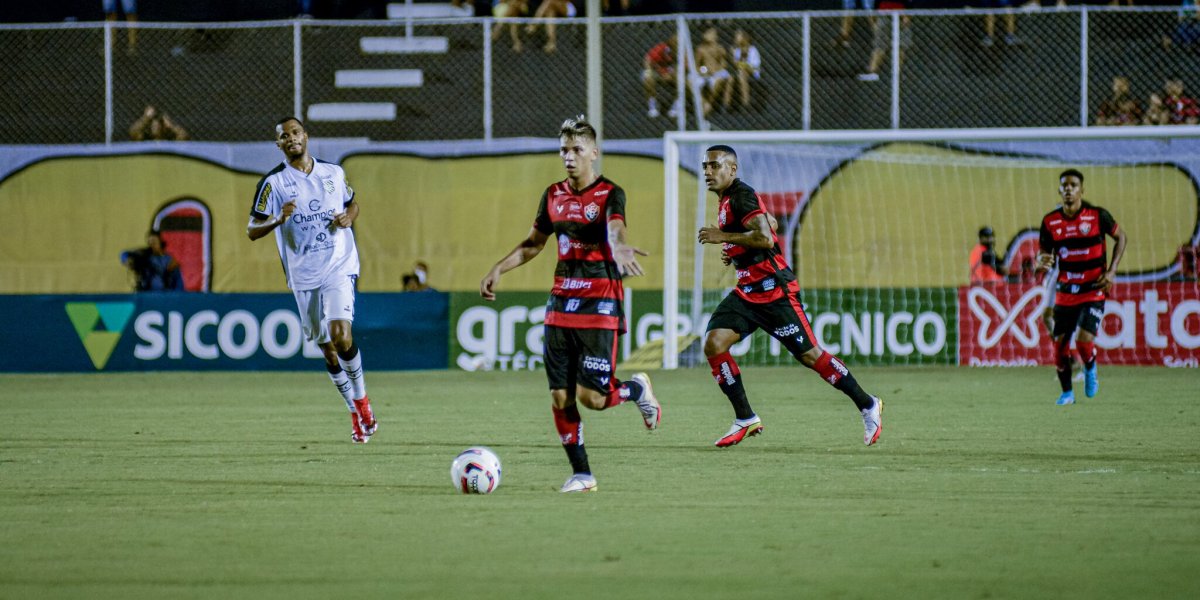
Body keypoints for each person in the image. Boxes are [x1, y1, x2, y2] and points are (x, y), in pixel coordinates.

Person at [479, 115, 660, 493]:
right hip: (560, 303)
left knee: (593, 398)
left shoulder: (610, 193)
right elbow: (534, 243)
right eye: (564, 150)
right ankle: (582, 474)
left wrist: (619, 246)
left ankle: (636, 391)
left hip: (600, 303)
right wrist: (499, 268)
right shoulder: (552, 195)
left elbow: (615, 227)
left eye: (577, 149)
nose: (569, 156)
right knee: (560, 395)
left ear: (594, 153)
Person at [696, 145, 883, 448]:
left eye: (715, 165)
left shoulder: (741, 195)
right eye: (705, 166)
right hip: (747, 293)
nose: (708, 171)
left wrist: (723, 237)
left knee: (811, 356)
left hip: (774, 291)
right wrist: (735, 248)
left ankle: (868, 404)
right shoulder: (728, 199)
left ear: (732, 169)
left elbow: (766, 237)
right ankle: (745, 418)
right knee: (714, 344)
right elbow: (771, 223)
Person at [247, 117, 378, 443]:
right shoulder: (273, 183)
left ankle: (363, 400)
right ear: (278, 144)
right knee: (329, 351)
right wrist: (278, 219)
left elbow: (352, 203)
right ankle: (352, 410)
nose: (291, 138)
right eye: (284, 136)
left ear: (305, 136)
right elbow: (252, 229)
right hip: (304, 275)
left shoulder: (333, 173)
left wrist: (349, 217)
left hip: (338, 264)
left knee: (340, 334)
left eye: (295, 132)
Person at [1036, 169, 1128, 406]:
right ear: (1059, 190)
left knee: (1083, 341)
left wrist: (1112, 271)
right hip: (1066, 291)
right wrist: (1040, 261)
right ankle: (1067, 394)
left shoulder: (1097, 216)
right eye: (1064, 185)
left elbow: (1121, 237)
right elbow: (1043, 254)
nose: (1068, 189)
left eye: (1073, 185)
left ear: (1081, 190)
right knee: (1059, 348)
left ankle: (1090, 365)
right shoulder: (1049, 222)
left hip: (1093, 288)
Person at [857, 0, 911, 82]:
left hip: (901, 14)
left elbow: (910, 3)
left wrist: (907, 15)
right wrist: (873, 20)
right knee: (880, 45)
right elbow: (875, 4)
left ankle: (897, 74)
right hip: (884, 14)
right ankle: (873, 72)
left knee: (901, 46)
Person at [691, 27, 731, 116]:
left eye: (713, 34)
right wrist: (703, 70)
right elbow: (696, 65)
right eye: (709, 33)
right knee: (691, 81)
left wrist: (717, 69)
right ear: (704, 35)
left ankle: (711, 103)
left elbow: (724, 63)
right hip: (704, 73)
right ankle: (705, 103)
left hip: (717, 72)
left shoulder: (720, 48)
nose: (712, 36)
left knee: (723, 79)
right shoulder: (700, 49)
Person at [725, 28, 762, 112]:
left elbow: (754, 67)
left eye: (738, 36)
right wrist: (732, 56)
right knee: (730, 78)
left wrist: (741, 65)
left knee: (741, 73)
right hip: (738, 72)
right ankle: (726, 105)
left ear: (746, 38)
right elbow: (734, 65)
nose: (735, 38)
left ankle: (746, 104)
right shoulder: (736, 50)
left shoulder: (753, 50)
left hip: (752, 73)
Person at [643, 35, 680, 118]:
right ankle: (652, 107)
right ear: (670, 42)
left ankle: (676, 106)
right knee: (647, 77)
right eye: (675, 42)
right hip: (658, 72)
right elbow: (648, 59)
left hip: (672, 74)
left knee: (681, 80)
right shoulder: (662, 47)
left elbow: (683, 67)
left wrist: (671, 74)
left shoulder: (682, 51)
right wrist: (649, 70)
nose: (677, 44)